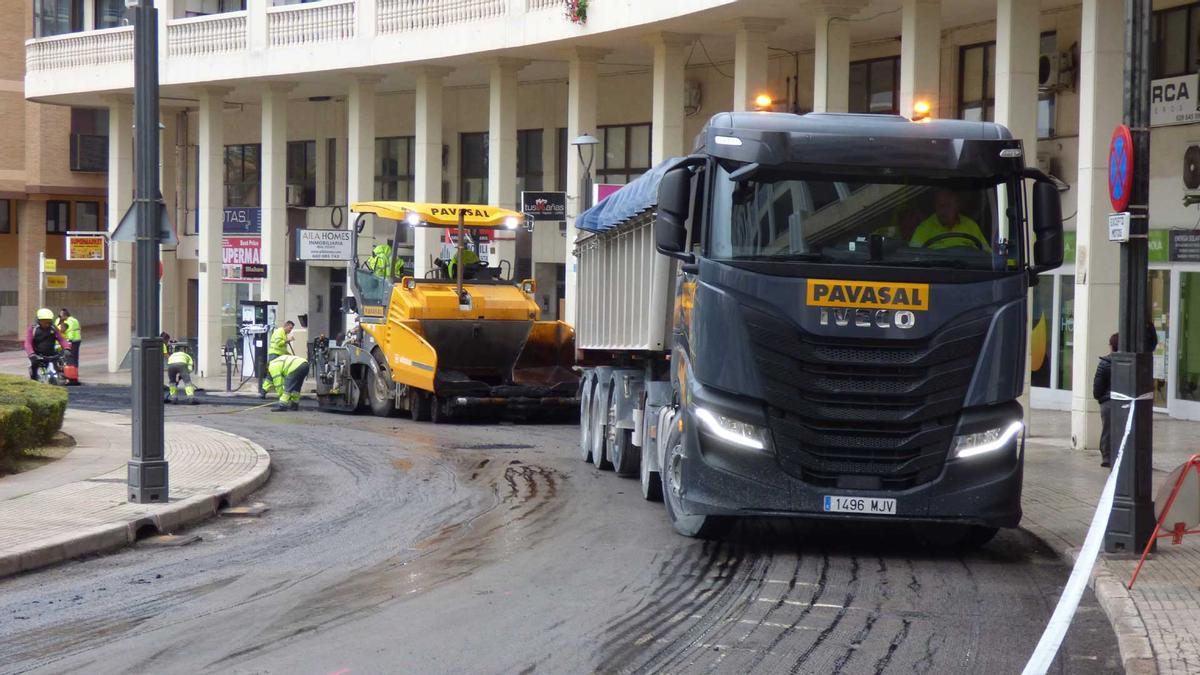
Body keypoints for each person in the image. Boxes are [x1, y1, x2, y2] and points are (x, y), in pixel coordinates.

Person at [910, 190, 990, 250]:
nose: (944, 210)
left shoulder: (971, 226)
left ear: (957, 206)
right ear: (935, 207)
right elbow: (913, 258)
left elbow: (987, 255)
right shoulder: (924, 228)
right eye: (941, 205)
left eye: (948, 206)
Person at [1093, 332, 1119, 469]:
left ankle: (1107, 457)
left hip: (1108, 403)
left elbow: (1097, 389)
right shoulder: (1131, 363)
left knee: (1107, 430)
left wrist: (1102, 399)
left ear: (1111, 346)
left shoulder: (1104, 363)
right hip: (1124, 403)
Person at [24, 308, 71, 381]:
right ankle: (34, 379)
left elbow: (61, 339)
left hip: (51, 355)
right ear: (39, 320)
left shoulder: (53, 328)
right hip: (37, 355)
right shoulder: (33, 329)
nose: (47, 324)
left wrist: (66, 348)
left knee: (57, 373)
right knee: (34, 373)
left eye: (49, 321)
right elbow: (28, 343)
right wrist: (31, 354)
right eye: (44, 321)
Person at [57, 308, 82, 384]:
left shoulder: (68, 321)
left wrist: (68, 341)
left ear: (65, 316)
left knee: (70, 358)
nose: (60, 317)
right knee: (75, 357)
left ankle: (72, 374)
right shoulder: (74, 319)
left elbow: (67, 331)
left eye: (61, 316)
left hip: (72, 341)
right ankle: (75, 373)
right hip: (77, 340)